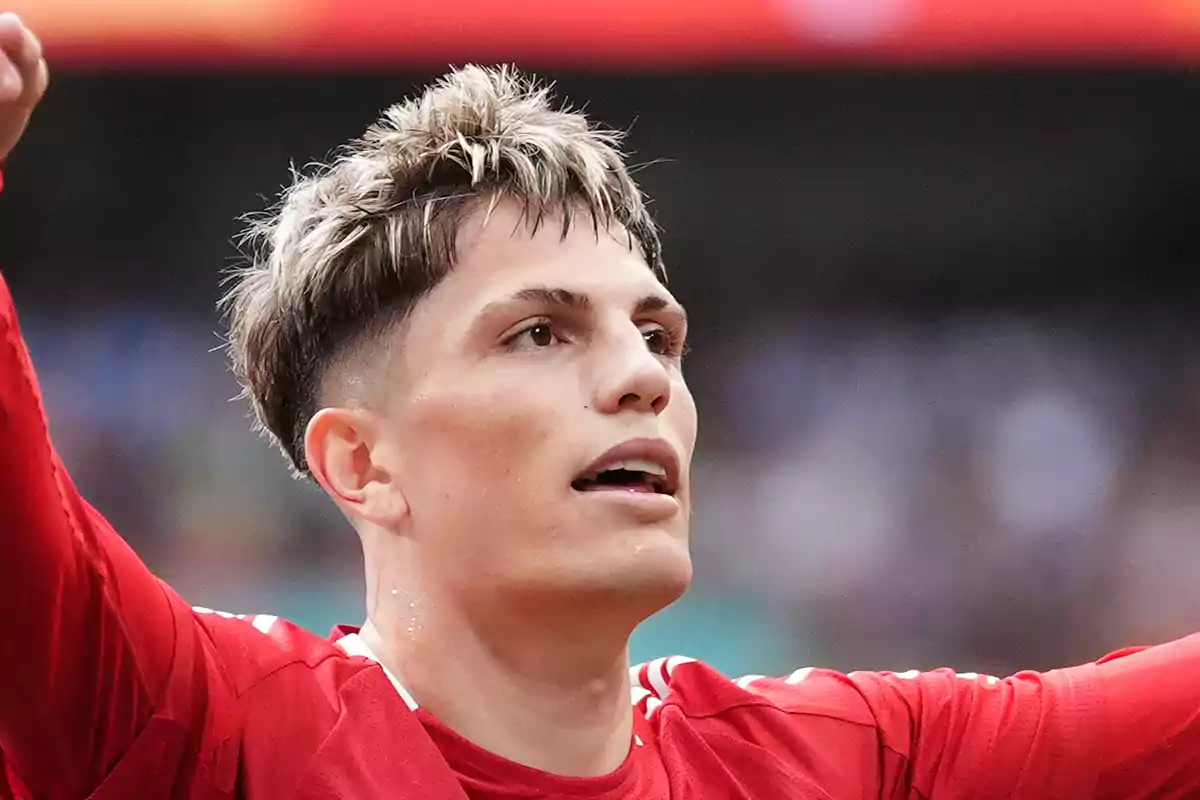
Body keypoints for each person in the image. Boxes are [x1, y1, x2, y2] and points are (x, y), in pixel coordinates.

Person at [2, 13, 1200, 799]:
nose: (643, 377)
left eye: (657, 333)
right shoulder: (199, 734)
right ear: (361, 463)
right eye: (539, 332)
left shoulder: (842, 762)